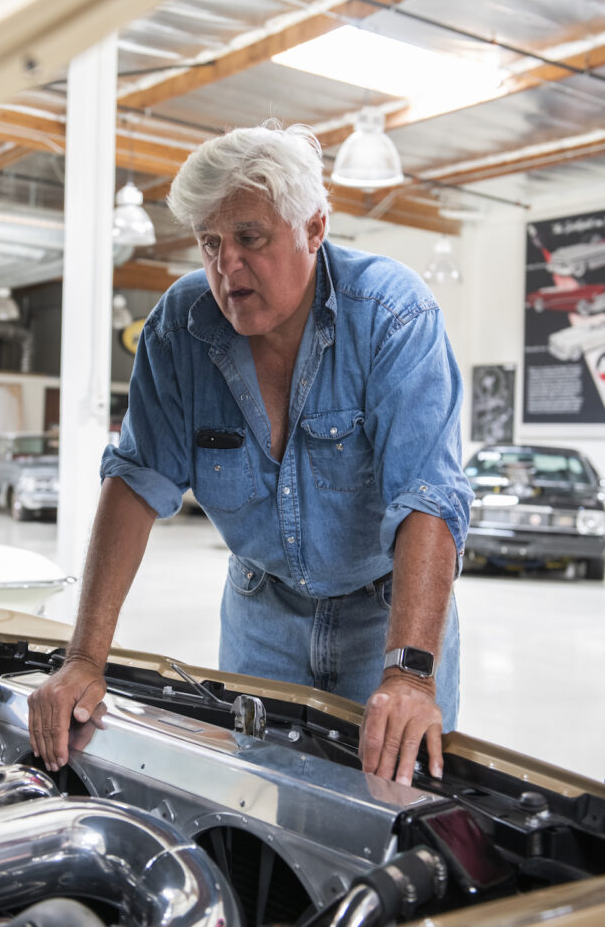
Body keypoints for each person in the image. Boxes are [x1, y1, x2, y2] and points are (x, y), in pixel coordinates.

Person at [28, 123, 472, 786]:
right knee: (260, 801)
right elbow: (137, 481)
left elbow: (427, 497)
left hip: (384, 613)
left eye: (249, 238)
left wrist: (408, 674)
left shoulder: (391, 314)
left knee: (396, 804)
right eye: (210, 242)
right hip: (261, 615)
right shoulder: (179, 328)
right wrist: (84, 659)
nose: (226, 265)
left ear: (314, 228)